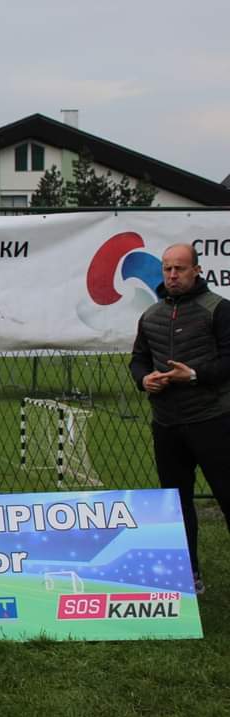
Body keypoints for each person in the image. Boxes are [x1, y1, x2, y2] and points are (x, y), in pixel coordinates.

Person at [129, 243, 230, 593]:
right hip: (167, 424)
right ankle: (189, 575)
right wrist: (144, 379)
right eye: (167, 268)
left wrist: (195, 375)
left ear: (197, 271)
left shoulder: (219, 309)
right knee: (175, 504)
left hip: (213, 420)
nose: (172, 275)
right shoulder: (151, 315)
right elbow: (138, 359)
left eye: (180, 269)